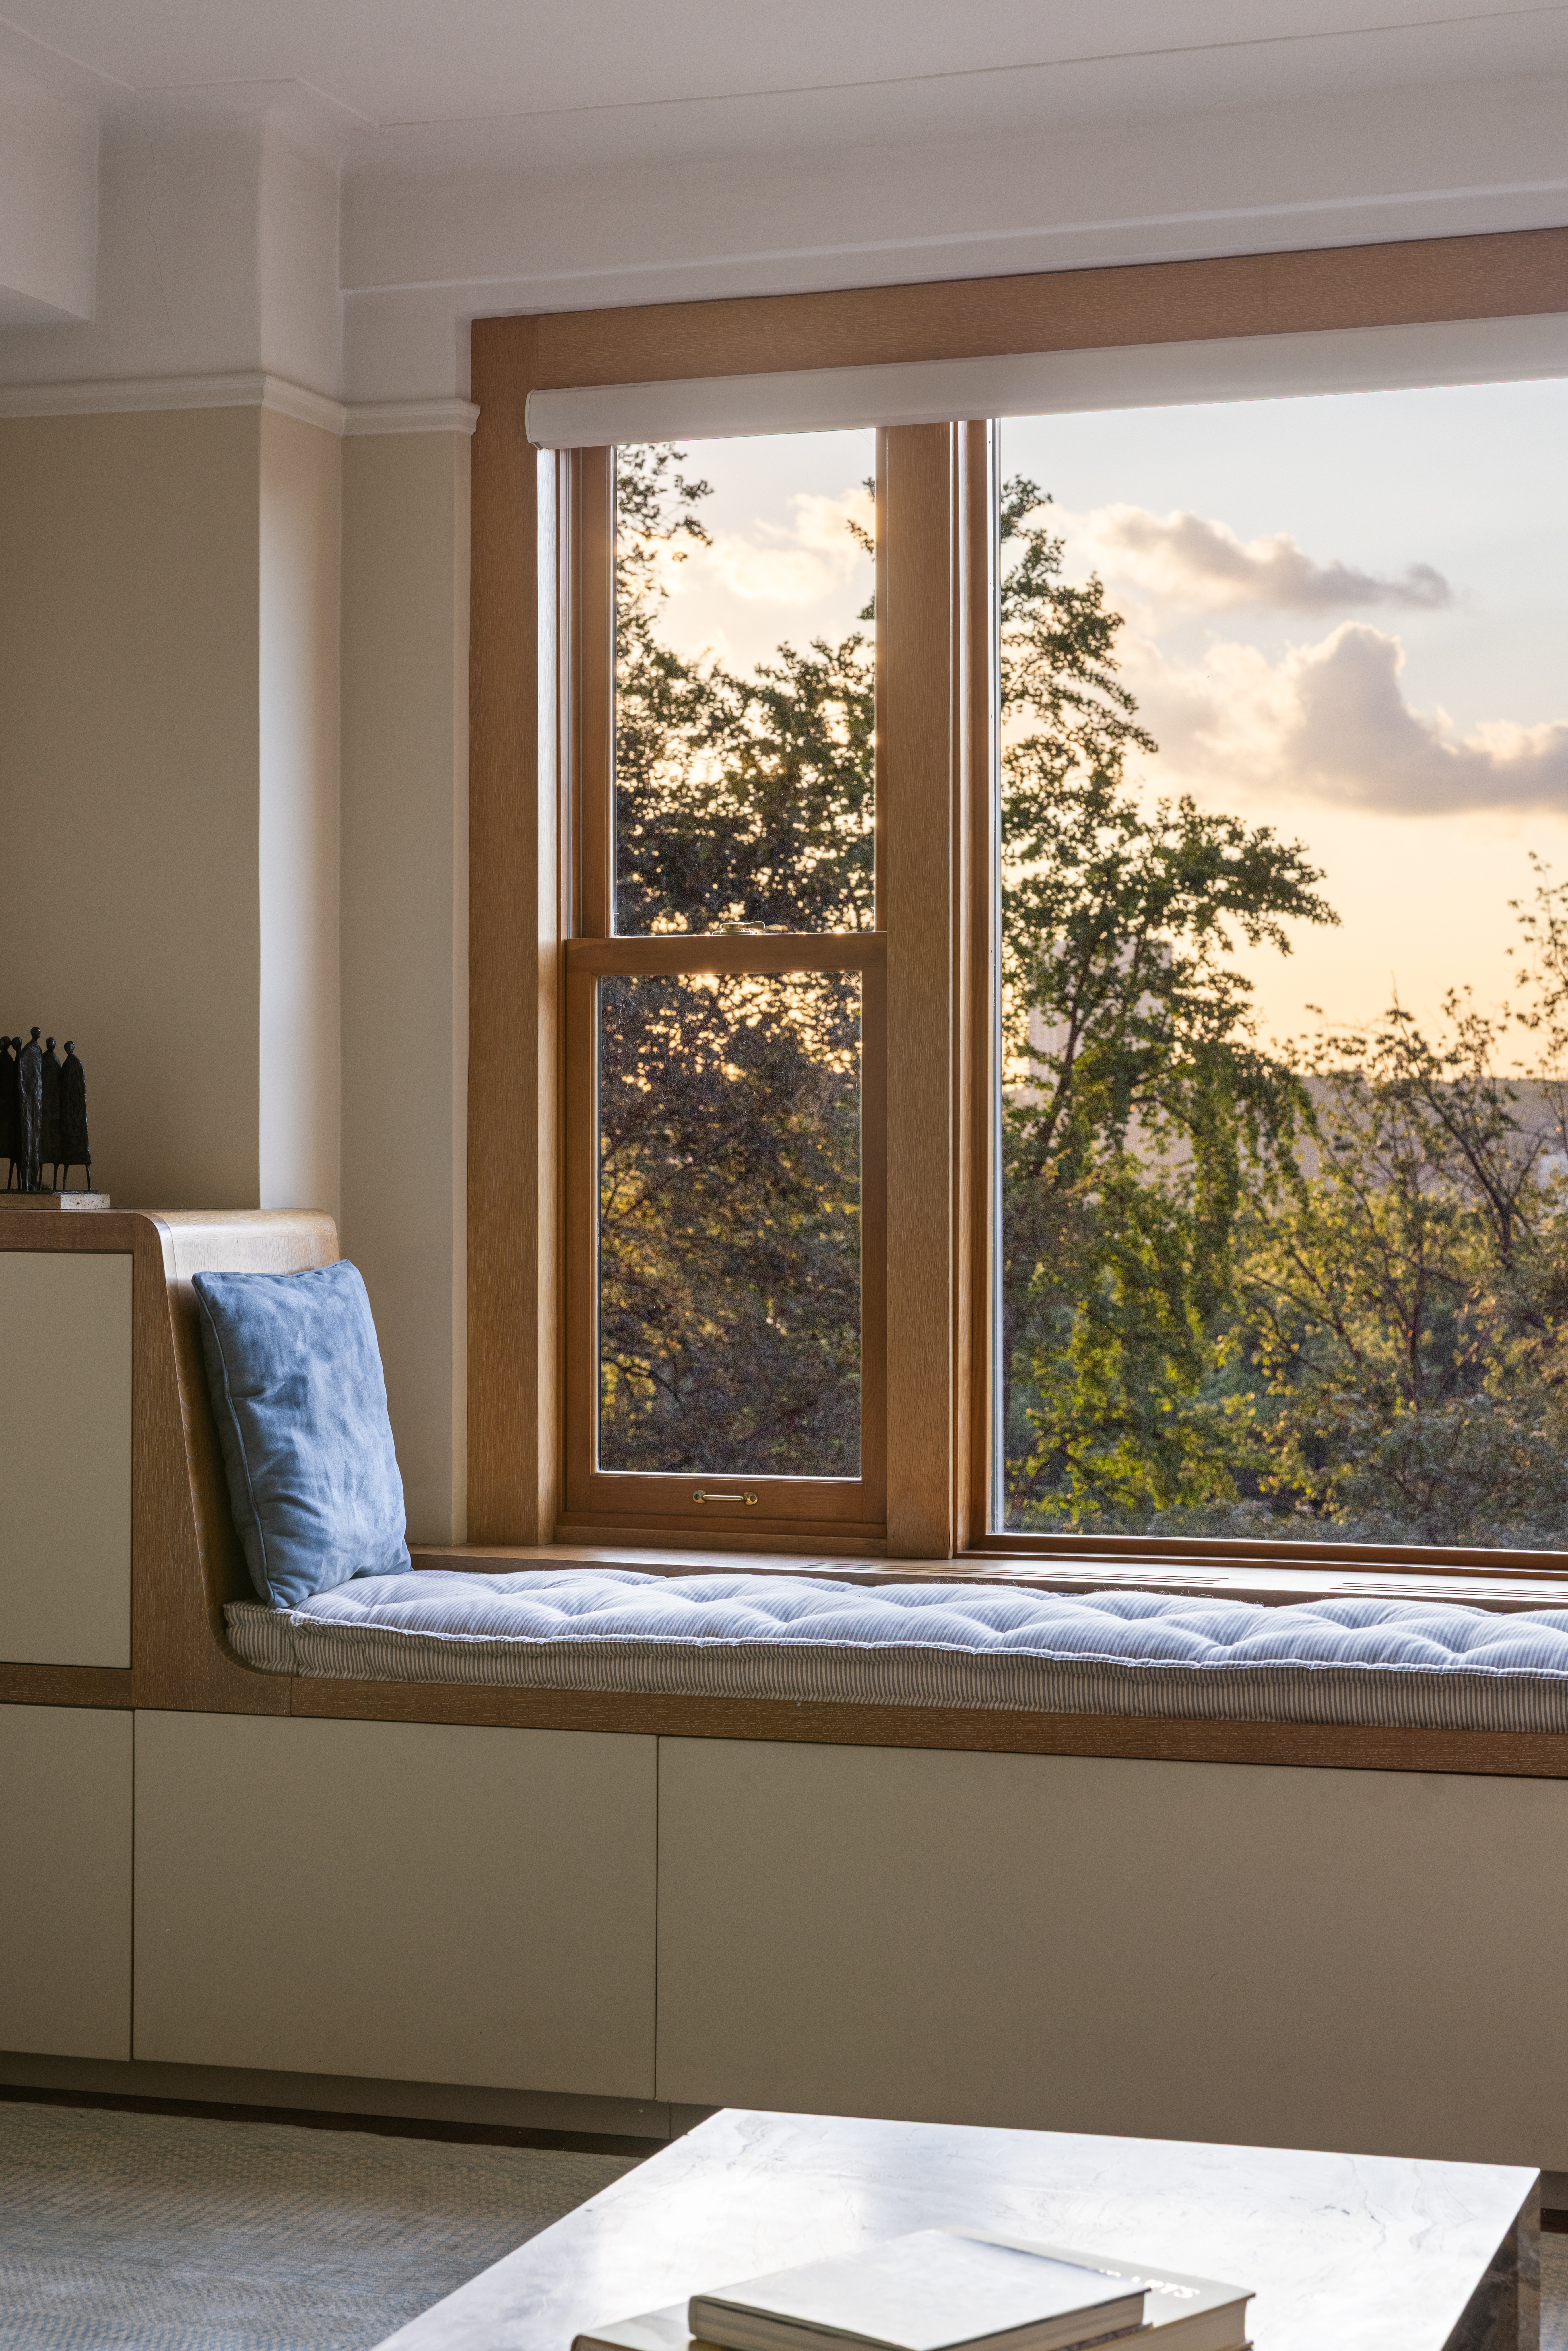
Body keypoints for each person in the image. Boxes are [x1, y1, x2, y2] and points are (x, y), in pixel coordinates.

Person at [59, 1042, 91, 1192]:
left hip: (76, 1110)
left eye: (69, 1048)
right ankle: (64, 1187)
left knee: (82, 1153)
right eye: (66, 1048)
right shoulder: (65, 1065)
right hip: (69, 1111)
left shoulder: (76, 1064)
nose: (68, 1050)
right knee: (67, 1157)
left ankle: (88, 1186)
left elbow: (80, 1086)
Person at [16, 1029, 43, 1193]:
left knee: (35, 1142)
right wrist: (24, 1095)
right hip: (28, 1101)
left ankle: (32, 1183)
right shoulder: (27, 1052)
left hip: (36, 1101)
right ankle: (26, 1184)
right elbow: (21, 1077)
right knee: (28, 1142)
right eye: (36, 1032)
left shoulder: (38, 1051)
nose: (38, 1034)